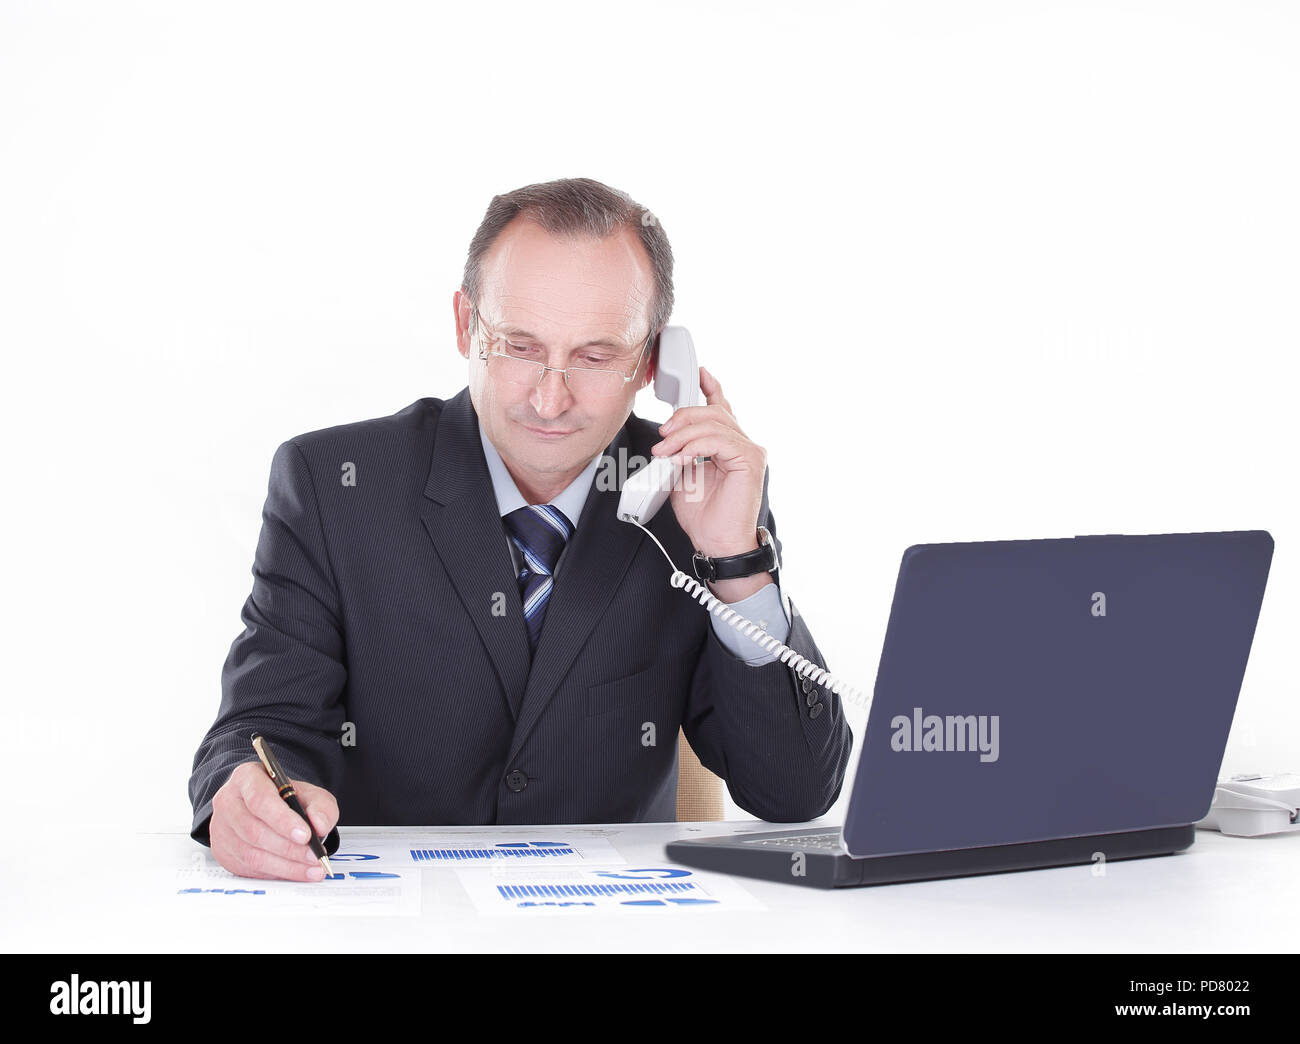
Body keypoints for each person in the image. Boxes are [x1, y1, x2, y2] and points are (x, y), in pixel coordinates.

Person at [189, 177, 853, 881]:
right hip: (397, 926)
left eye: (595, 356)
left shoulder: (699, 496)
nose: (550, 396)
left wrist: (735, 561)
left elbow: (793, 793)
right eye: (520, 346)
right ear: (464, 326)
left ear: (654, 363)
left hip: (610, 926)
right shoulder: (333, 484)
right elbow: (260, 728)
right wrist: (241, 794)